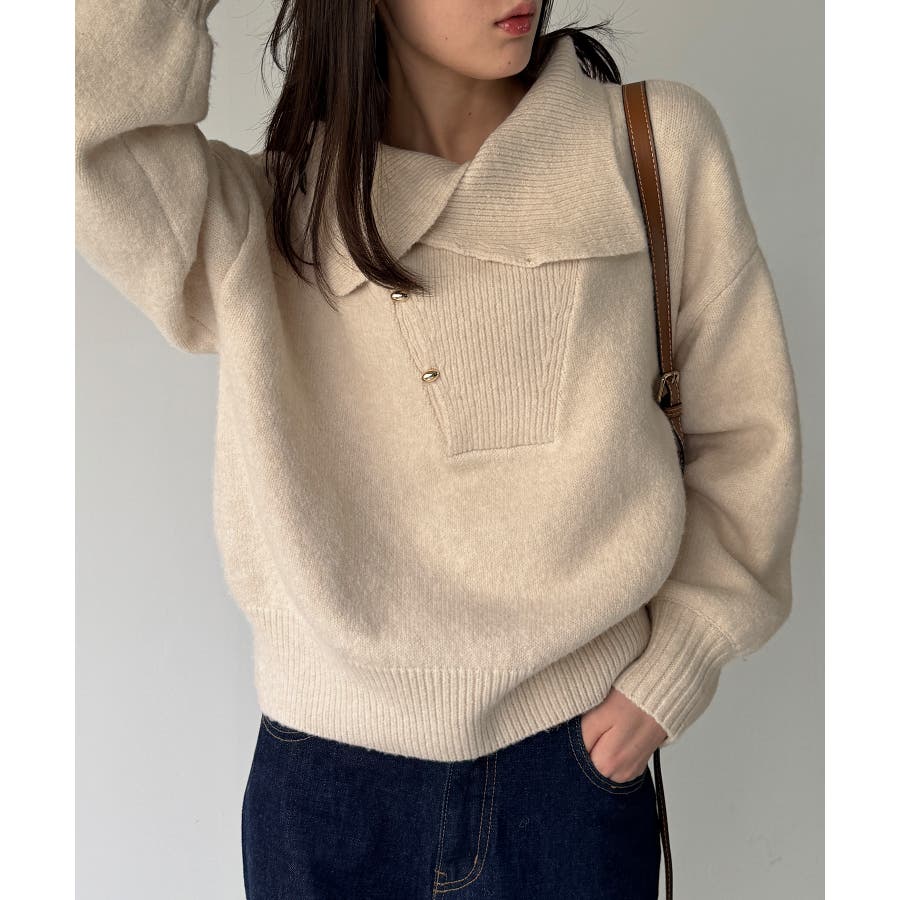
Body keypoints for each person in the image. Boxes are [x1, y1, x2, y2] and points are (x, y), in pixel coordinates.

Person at [75, 1, 802, 897]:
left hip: (573, 776)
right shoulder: (262, 219)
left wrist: (674, 670)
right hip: (325, 796)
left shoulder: (650, 148)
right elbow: (79, 113)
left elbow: (747, 436)